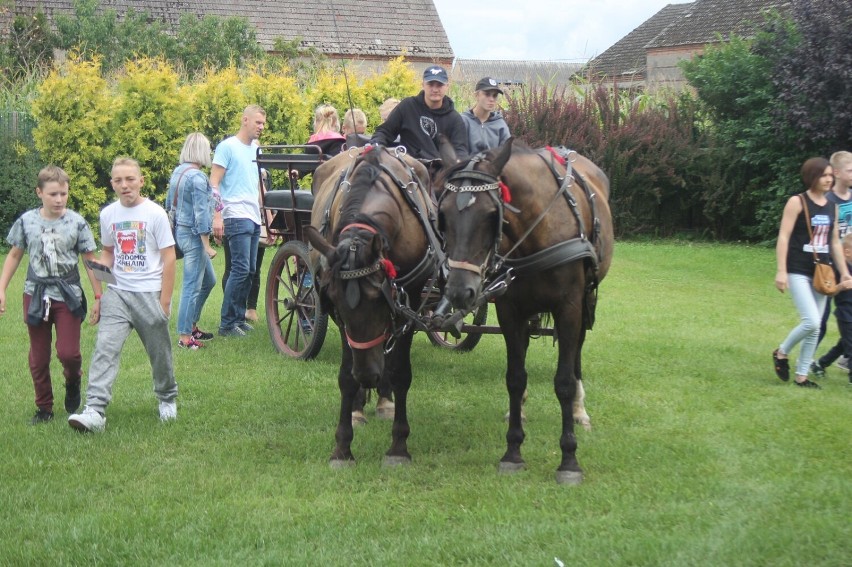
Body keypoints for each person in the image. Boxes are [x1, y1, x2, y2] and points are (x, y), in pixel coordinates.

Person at [68, 157, 178, 432]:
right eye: (118, 180)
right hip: (118, 294)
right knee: (105, 348)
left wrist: (164, 301)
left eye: (130, 179)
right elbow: (108, 252)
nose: (125, 185)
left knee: (159, 353)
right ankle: (95, 411)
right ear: (112, 184)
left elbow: (169, 257)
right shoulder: (108, 215)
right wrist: (102, 291)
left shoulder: (155, 214)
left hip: (149, 293)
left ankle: (167, 398)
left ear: (141, 181)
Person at [0, 165, 101, 425]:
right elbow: (13, 255)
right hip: (35, 294)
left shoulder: (77, 222)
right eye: (53, 194)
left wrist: (100, 296)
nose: (59, 200)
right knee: (39, 356)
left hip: (68, 295)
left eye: (63, 194)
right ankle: (44, 407)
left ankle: (73, 379)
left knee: (69, 353)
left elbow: (90, 260)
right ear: (39, 192)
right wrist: (1, 288)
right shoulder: (27, 221)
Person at [773, 157, 851, 389]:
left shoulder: (832, 207)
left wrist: (844, 272)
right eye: (824, 175)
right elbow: (784, 236)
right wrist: (781, 271)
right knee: (812, 321)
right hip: (798, 269)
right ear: (811, 177)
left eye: (830, 175)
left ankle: (802, 376)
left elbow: (835, 242)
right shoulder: (797, 202)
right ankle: (782, 352)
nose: (829, 179)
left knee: (815, 326)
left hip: (822, 271)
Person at [211, 105, 266, 337]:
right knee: (240, 268)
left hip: (253, 216)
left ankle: (238, 317)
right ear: (245, 120)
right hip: (234, 214)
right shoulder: (227, 147)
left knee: (250, 269)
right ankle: (226, 324)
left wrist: (267, 217)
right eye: (258, 123)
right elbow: (213, 183)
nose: (261, 127)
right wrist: (217, 215)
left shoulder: (256, 149)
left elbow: (259, 185)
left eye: (263, 124)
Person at [166, 133, 217, 350]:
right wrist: (206, 243)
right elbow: (201, 214)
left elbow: (169, 204)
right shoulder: (197, 177)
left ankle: (192, 324)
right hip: (193, 236)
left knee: (209, 281)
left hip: (180, 231)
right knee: (191, 286)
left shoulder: (179, 172)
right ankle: (185, 337)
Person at [370, 65, 468, 161]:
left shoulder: (455, 119)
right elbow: (384, 131)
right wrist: (377, 146)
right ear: (423, 85)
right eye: (430, 84)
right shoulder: (407, 106)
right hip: (408, 169)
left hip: (440, 172)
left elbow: (460, 152)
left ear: (447, 86)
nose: (435, 89)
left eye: (439, 85)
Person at [814, 150, 852, 371]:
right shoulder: (827, 201)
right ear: (836, 172)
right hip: (828, 266)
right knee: (821, 318)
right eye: (850, 170)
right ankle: (806, 358)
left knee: (848, 314)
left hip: (848, 267)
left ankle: (843, 358)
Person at [811, 232, 852, 384]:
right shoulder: (839, 270)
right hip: (846, 315)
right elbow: (831, 290)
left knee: (843, 344)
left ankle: (821, 363)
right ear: (847, 251)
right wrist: (842, 285)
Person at [460, 77, 511, 154]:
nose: (491, 99)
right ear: (476, 95)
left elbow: (506, 155)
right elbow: (458, 153)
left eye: (494, 95)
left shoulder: (501, 125)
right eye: (487, 94)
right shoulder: (463, 121)